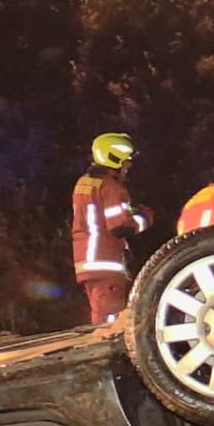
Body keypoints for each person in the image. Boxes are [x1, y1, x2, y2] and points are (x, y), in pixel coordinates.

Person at [71, 133, 153, 324]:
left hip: (87, 260)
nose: (128, 167)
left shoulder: (84, 183)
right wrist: (144, 218)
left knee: (100, 313)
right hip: (106, 260)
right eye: (126, 162)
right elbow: (119, 226)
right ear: (114, 158)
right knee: (110, 321)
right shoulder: (111, 187)